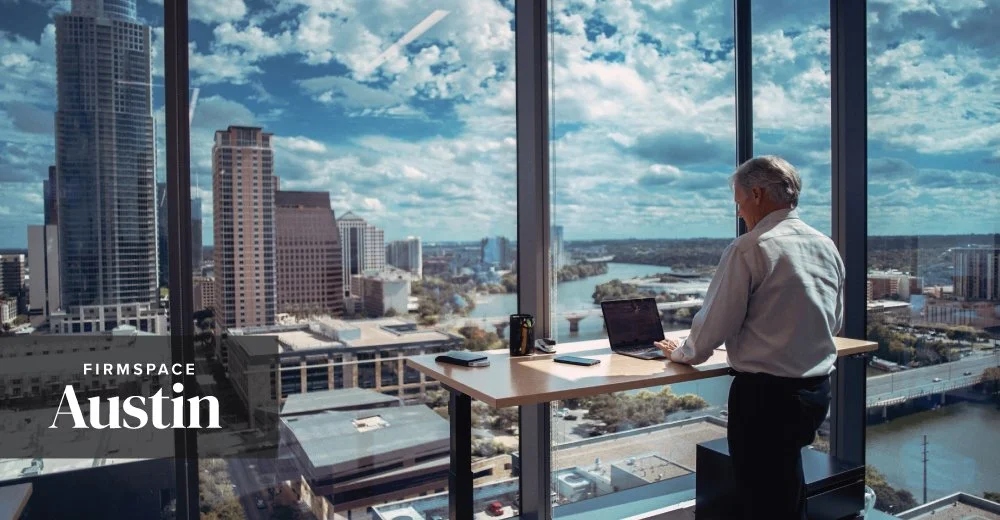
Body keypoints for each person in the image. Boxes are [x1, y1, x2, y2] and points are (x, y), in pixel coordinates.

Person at [655, 155, 845, 520]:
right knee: (785, 488)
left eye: (739, 202)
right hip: (815, 393)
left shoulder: (750, 248)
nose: (739, 213)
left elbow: (712, 327)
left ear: (757, 194)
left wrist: (681, 352)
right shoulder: (826, 246)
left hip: (766, 401)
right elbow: (832, 322)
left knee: (762, 501)